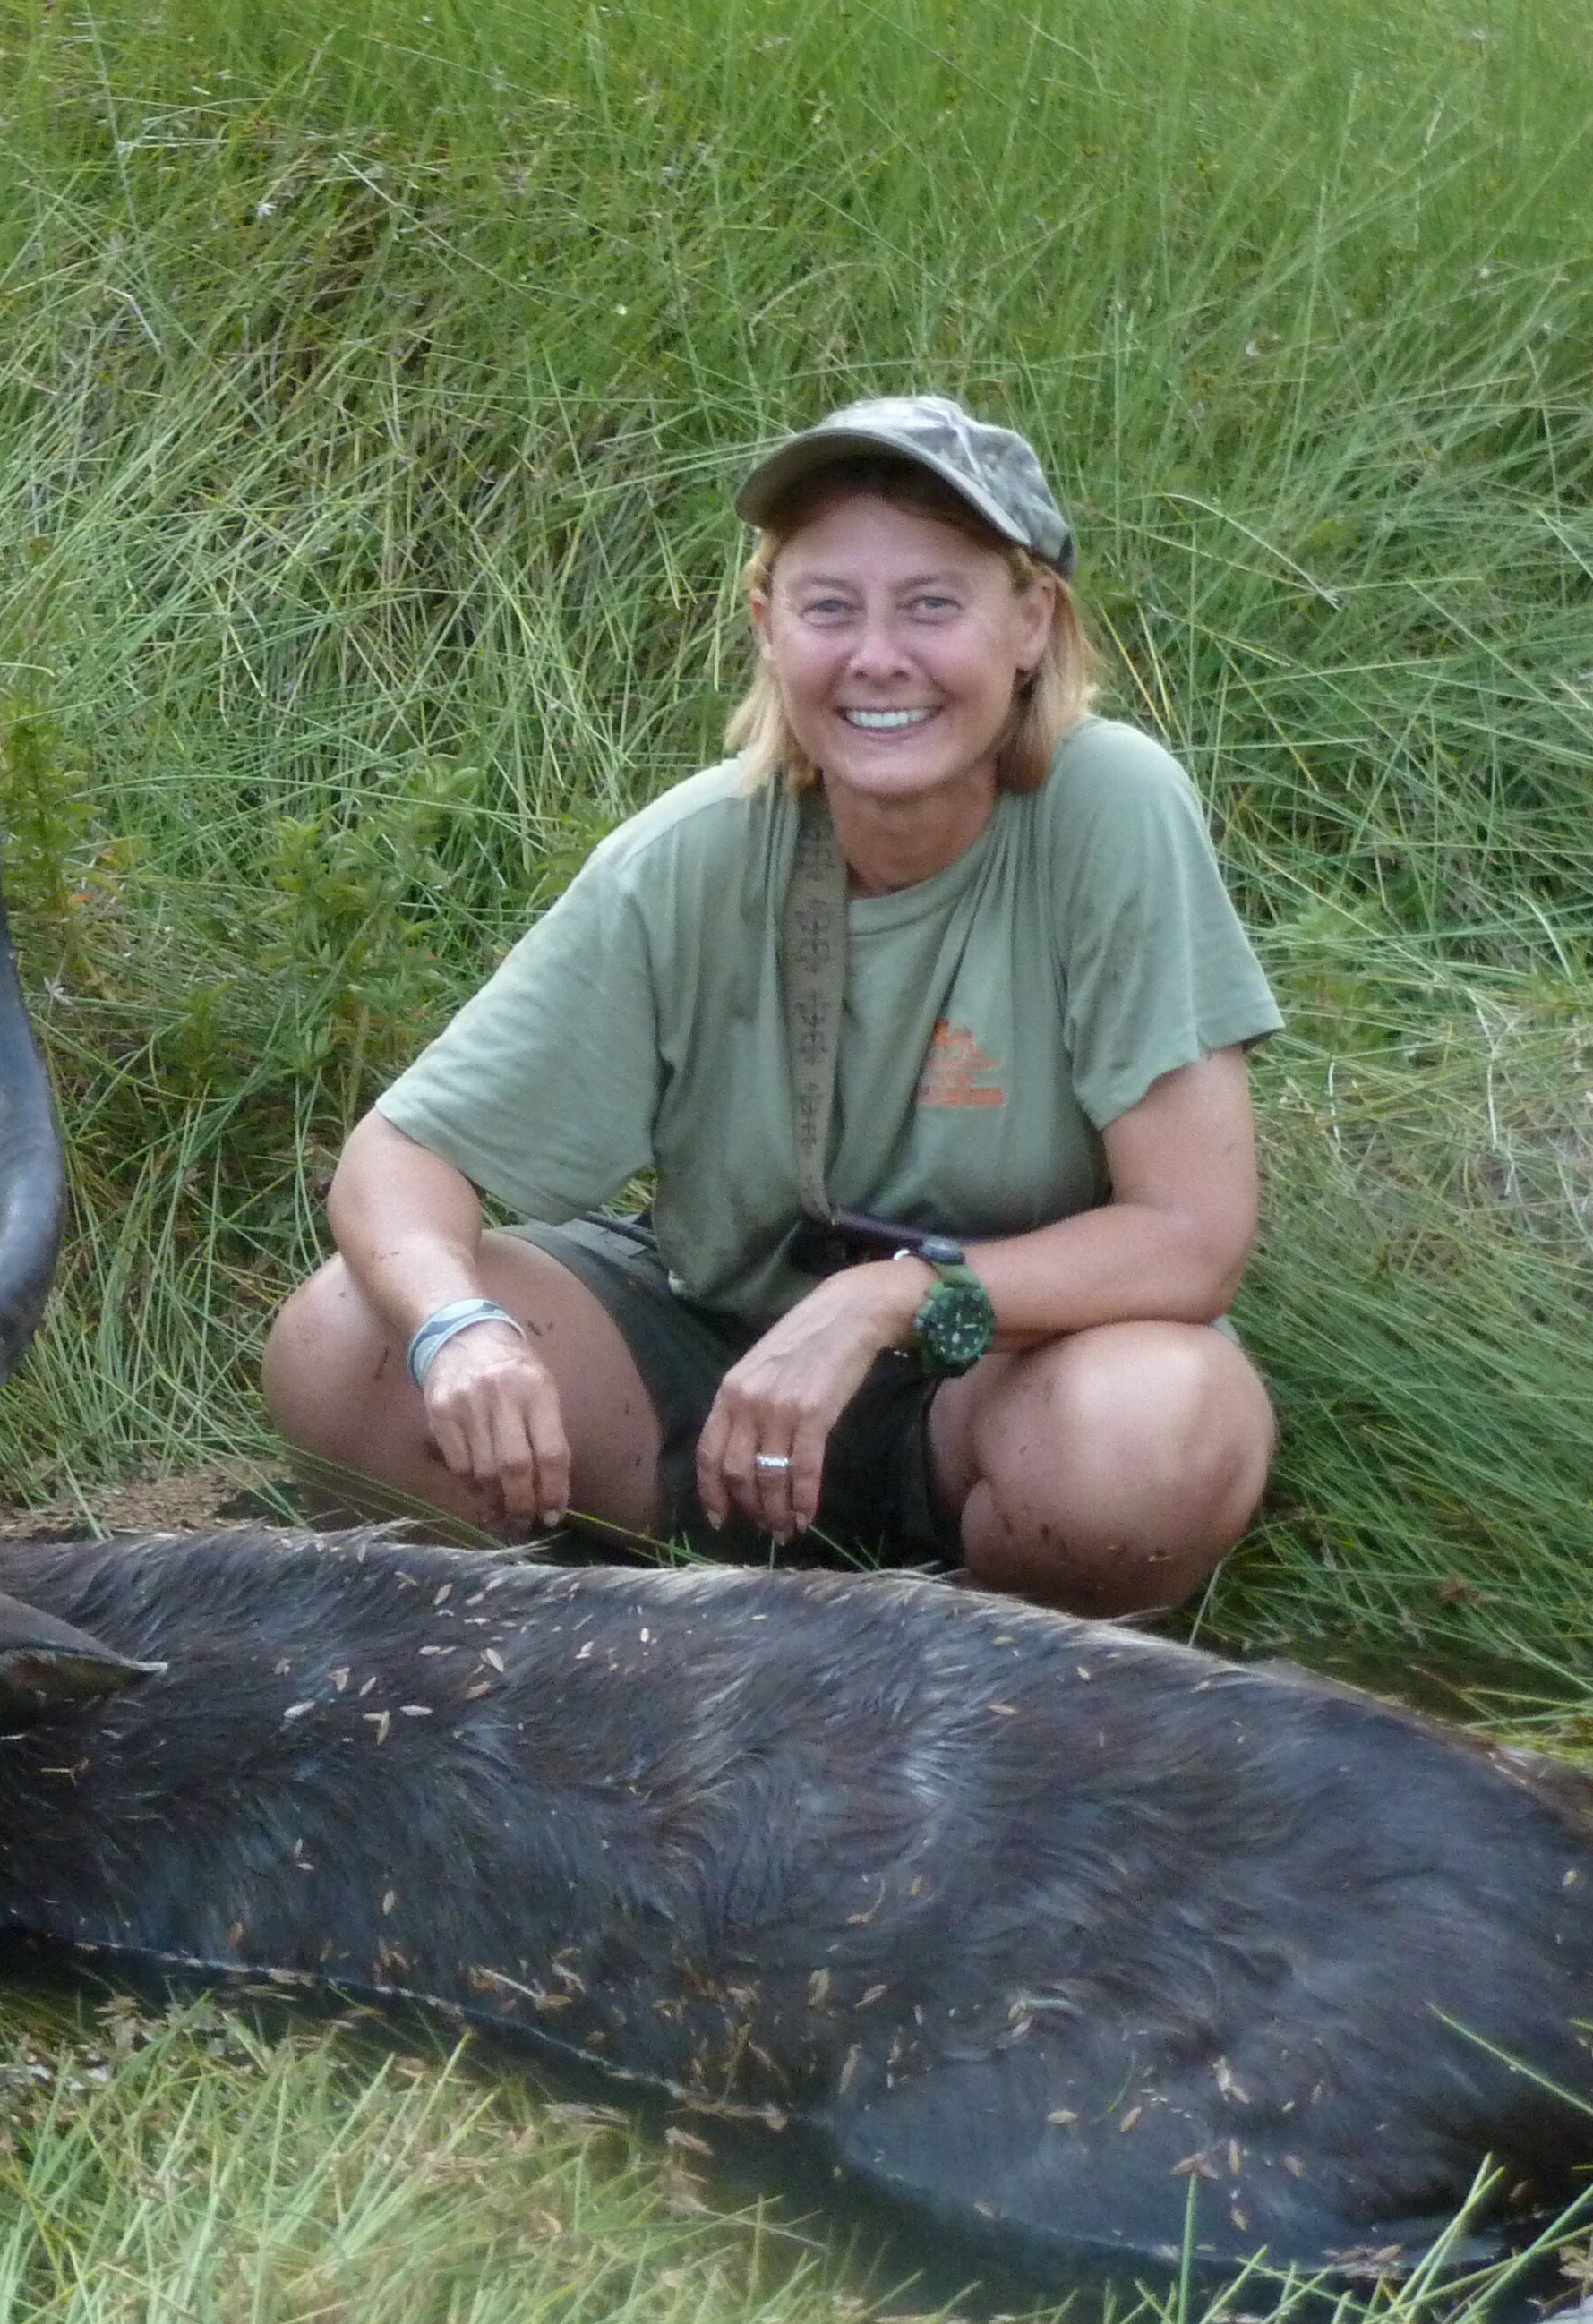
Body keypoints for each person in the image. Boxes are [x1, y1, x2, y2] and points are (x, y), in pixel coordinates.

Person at [264, 397, 1280, 1615]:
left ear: (1031, 624)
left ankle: (1011, 1679)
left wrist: (885, 1298)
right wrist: (458, 1329)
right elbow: (398, 1158)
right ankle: (596, 1648)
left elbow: (1192, 1237)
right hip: (709, 1346)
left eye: (932, 605)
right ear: (768, 626)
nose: (878, 657)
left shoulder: (1112, 807)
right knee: (344, 1344)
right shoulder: (692, 851)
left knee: (1150, 1438)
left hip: (995, 1372)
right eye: (830, 607)